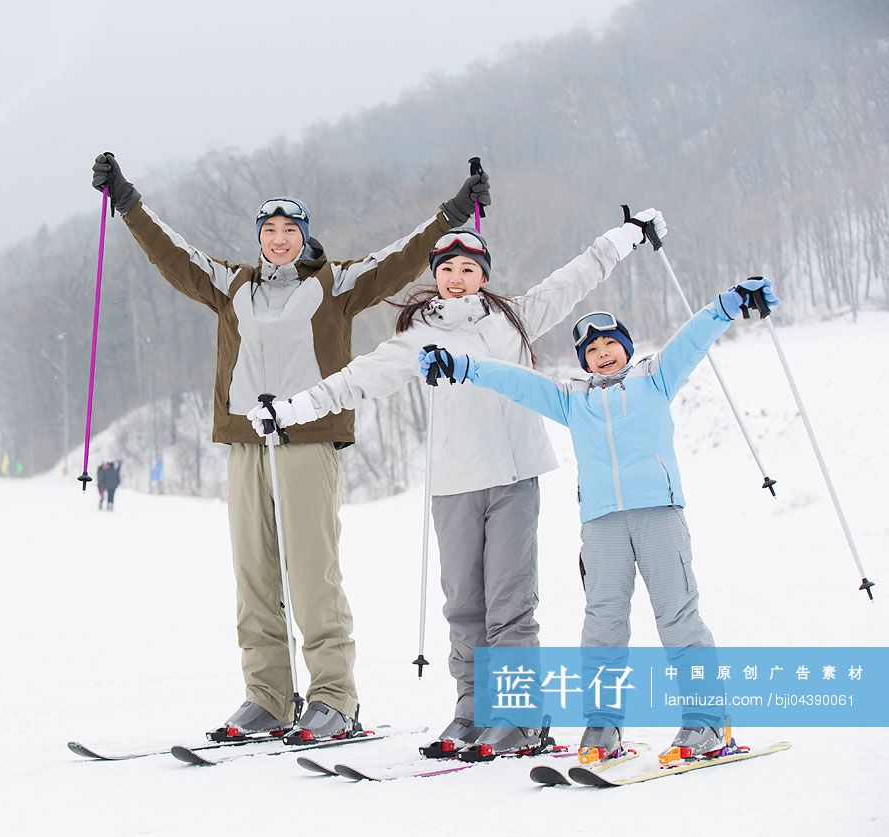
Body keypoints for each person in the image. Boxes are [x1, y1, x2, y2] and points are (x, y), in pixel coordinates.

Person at [92, 150, 491, 741]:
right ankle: (268, 696)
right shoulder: (231, 283)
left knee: (311, 573)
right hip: (245, 442)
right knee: (253, 575)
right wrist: (127, 201)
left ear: (305, 236)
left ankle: (334, 696)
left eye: (291, 231)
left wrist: (454, 211)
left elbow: (404, 258)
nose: (279, 240)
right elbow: (172, 254)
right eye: (270, 231)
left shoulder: (337, 283)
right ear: (259, 238)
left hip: (307, 440)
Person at [255, 209, 666, 756]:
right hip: (454, 484)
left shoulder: (517, 317)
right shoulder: (417, 336)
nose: (457, 277)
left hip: (516, 476)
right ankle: (473, 710)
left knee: (509, 603)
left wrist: (629, 234)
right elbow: (358, 380)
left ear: (485, 278)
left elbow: (577, 274)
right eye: (447, 267)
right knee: (464, 606)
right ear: (435, 276)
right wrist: (291, 409)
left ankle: (520, 716)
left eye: (469, 268)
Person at [421, 277, 780, 766]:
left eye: (611, 343)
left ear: (627, 348)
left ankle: (707, 721)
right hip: (602, 526)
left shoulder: (655, 378)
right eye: (592, 349)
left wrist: (724, 306)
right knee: (603, 625)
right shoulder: (573, 399)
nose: (603, 352)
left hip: (658, 515)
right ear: (583, 360)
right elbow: (517, 381)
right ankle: (603, 723)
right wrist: (464, 367)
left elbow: (692, 341)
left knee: (677, 617)